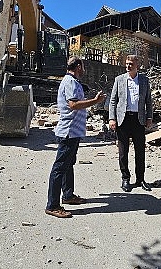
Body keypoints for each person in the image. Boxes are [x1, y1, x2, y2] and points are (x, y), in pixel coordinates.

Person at [45, 57, 106, 218]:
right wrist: (95, 101)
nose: (84, 69)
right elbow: (73, 105)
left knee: (68, 164)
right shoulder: (70, 82)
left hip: (73, 132)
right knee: (59, 168)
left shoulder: (72, 81)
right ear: (78, 66)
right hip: (69, 132)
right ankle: (52, 205)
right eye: (83, 66)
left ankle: (68, 195)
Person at [109, 54, 153, 192]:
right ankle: (125, 178)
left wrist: (149, 118)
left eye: (131, 64)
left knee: (140, 151)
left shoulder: (144, 80)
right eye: (127, 64)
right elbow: (113, 101)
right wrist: (112, 118)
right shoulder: (119, 80)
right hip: (123, 119)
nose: (128, 66)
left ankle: (140, 179)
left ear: (137, 66)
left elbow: (148, 101)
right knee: (123, 152)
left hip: (139, 120)